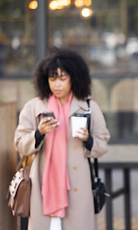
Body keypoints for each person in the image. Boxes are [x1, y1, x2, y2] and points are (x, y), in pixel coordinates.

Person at [14, 47, 110, 230]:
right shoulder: (34, 107)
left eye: (62, 78)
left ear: (74, 78)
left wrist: (88, 140)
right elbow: (19, 143)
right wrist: (38, 133)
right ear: (45, 80)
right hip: (44, 186)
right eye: (52, 78)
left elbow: (103, 144)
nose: (57, 84)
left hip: (78, 186)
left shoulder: (88, 107)